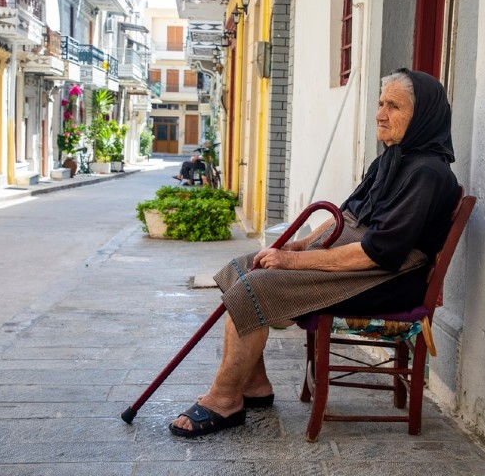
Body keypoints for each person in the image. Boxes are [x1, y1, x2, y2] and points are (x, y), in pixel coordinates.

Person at [169, 68, 460, 437]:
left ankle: (224, 399)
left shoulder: (427, 173)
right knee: (241, 268)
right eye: (380, 103)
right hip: (362, 258)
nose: (380, 114)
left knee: (256, 286)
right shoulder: (392, 158)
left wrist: (293, 262)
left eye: (394, 106)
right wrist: (300, 244)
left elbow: (379, 253)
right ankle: (255, 385)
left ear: (422, 116)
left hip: (390, 277)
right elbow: (347, 213)